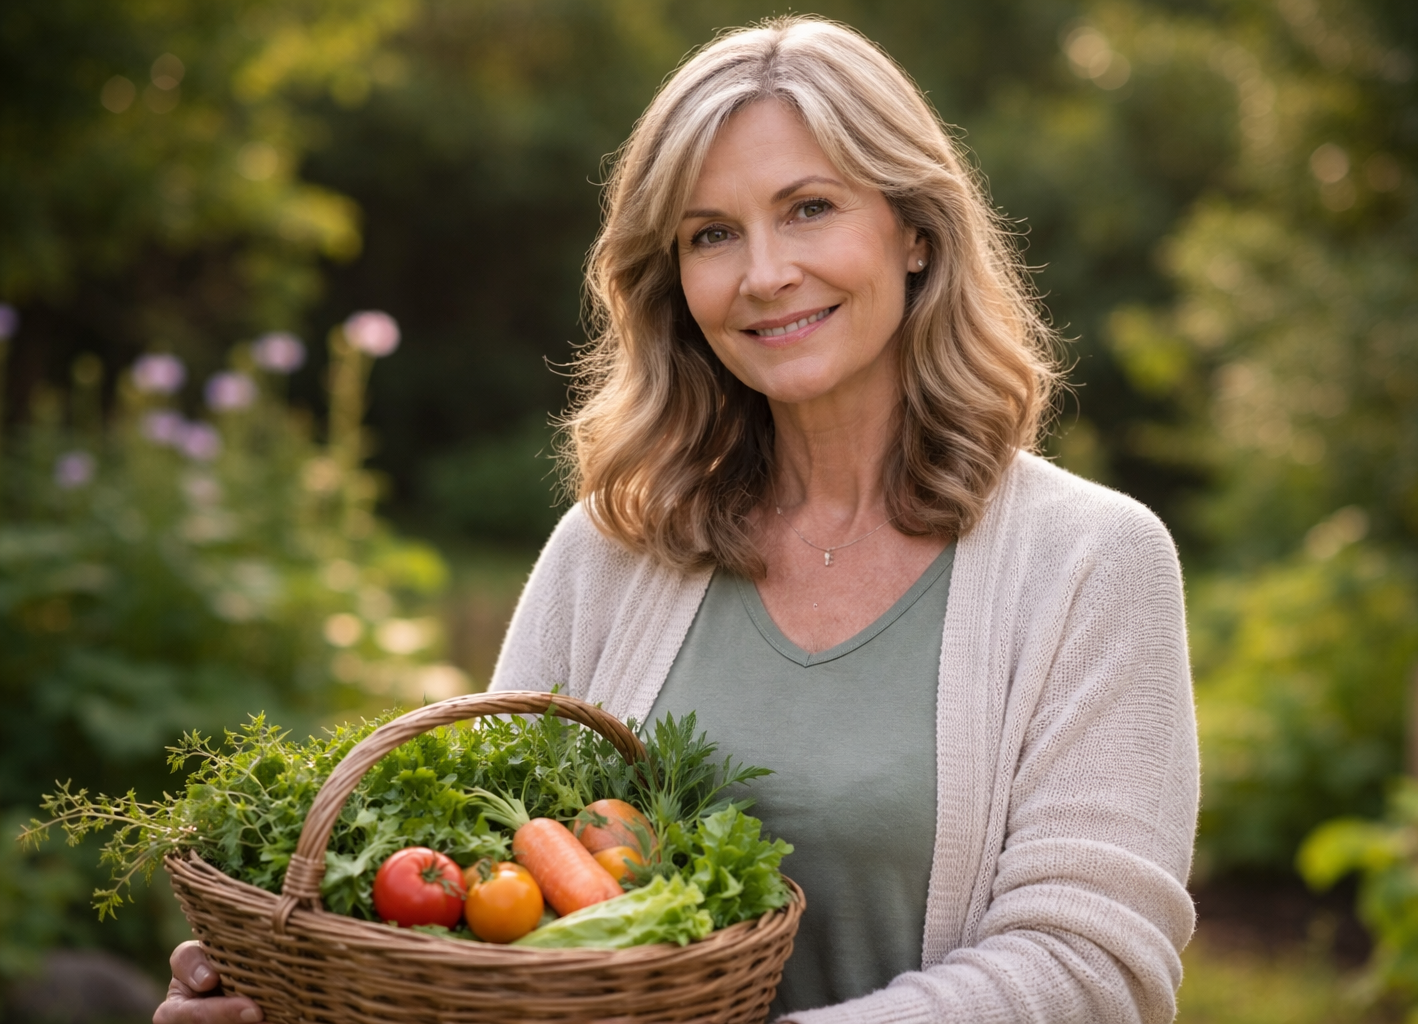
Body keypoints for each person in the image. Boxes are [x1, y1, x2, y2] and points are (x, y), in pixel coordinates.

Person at [156, 15, 1198, 1024]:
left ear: (916, 233)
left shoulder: (1090, 561)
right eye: (711, 234)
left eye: (809, 208)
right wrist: (301, 988)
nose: (764, 273)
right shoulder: (611, 551)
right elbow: (486, 896)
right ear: (675, 283)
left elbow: (1095, 966)